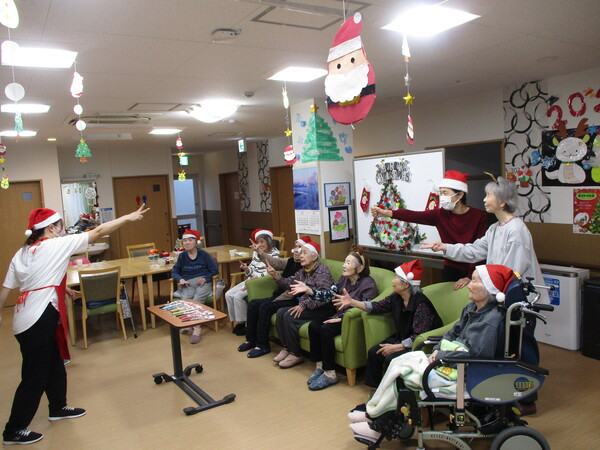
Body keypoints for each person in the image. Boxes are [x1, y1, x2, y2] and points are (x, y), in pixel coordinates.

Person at [0, 205, 148, 446]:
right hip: (38, 318)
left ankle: (58, 406)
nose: (63, 229)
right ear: (51, 228)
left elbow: (9, 287)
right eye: (60, 225)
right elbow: (99, 231)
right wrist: (128, 217)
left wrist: (63, 289)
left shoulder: (23, 252)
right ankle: (14, 429)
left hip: (25, 316)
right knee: (34, 375)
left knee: (54, 362)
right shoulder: (55, 245)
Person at [349, 264, 513, 444]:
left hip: (464, 373)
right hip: (448, 360)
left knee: (402, 374)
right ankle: (374, 414)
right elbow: (451, 333)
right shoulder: (471, 308)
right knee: (399, 362)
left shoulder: (490, 321)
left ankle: (377, 426)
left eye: (474, 281)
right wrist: (437, 350)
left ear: (488, 289)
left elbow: (477, 357)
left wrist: (442, 356)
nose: (469, 285)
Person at [420, 177, 548, 302]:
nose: (484, 199)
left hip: (518, 298)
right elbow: (474, 251)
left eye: (488, 195)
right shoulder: (494, 228)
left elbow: (511, 271)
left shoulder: (516, 230)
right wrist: (445, 247)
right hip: (501, 294)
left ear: (502, 202)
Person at [337, 259, 442, 391]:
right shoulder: (396, 297)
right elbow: (376, 306)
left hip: (418, 344)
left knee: (390, 358)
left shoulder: (421, 304)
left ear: (406, 284)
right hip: (402, 337)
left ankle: (391, 395)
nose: (393, 281)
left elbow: (419, 336)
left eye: (396, 277)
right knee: (374, 352)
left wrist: (397, 347)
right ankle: (375, 391)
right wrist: (352, 302)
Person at [371, 170, 488, 289]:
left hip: (473, 269)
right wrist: (386, 213)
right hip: (450, 267)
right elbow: (414, 215)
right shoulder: (440, 215)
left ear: (460, 195)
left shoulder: (479, 216)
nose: (442, 197)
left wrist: (470, 276)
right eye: (441, 193)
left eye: (445, 193)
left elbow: (480, 250)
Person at [304, 251, 378, 390]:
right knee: (314, 325)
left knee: (326, 329)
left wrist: (341, 319)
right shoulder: (343, 279)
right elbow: (328, 295)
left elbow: (364, 309)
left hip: (353, 321)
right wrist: (310, 291)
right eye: (344, 262)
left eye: (348, 263)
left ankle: (330, 374)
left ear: (360, 268)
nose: (344, 265)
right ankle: (320, 367)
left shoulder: (368, 284)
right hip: (339, 316)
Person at [272, 240, 334, 369]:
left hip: (323, 308)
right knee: (280, 312)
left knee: (289, 315)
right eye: (301, 253)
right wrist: (276, 276)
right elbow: (290, 283)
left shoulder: (322, 271)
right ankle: (287, 348)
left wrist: (303, 305)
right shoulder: (303, 271)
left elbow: (323, 297)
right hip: (307, 305)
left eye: (304, 253)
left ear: (314, 256)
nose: (301, 255)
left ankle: (295, 354)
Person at [226, 229, 280, 336]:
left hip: (261, 282)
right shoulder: (256, 252)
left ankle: (246, 324)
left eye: (262, 242)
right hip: (251, 280)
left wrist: (255, 279)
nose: (259, 245)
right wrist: (246, 269)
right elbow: (252, 268)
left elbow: (270, 272)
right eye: (258, 242)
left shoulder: (275, 254)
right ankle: (239, 321)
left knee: (238, 296)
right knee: (228, 294)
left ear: (269, 241)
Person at [171, 229, 218, 344]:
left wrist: (205, 278)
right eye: (185, 241)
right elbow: (174, 271)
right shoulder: (182, 256)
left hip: (203, 281)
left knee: (197, 300)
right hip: (188, 282)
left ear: (196, 242)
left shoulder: (204, 254)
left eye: (190, 240)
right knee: (187, 300)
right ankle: (188, 323)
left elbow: (214, 270)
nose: (187, 243)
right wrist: (180, 279)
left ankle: (196, 329)